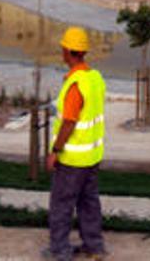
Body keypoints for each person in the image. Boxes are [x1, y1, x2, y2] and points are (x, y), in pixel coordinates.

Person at [43, 27, 107, 261]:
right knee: (89, 202)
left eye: (62, 48)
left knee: (61, 204)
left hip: (72, 159)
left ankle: (60, 250)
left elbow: (69, 122)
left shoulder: (74, 85)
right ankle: (94, 246)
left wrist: (55, 151)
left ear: (68, 51)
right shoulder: (95, 78)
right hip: (92, 156)